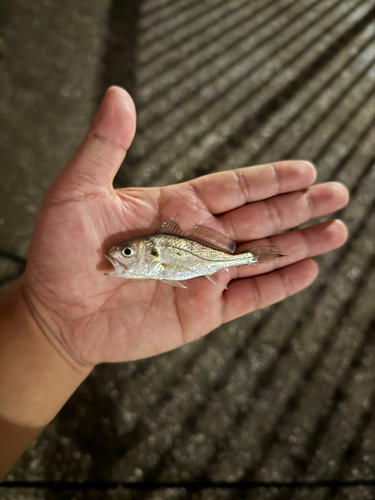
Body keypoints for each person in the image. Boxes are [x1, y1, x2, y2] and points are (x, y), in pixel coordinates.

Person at [0, 87, 349, 477]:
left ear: (148, 254)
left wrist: (44, 325)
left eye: (127, 253)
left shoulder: (160, 249)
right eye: (125, 253)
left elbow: (168, 260)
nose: (119, 257)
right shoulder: (152, 254)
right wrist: (46, 324)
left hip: (196, 257)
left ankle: (252, 256)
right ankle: (251, 256)